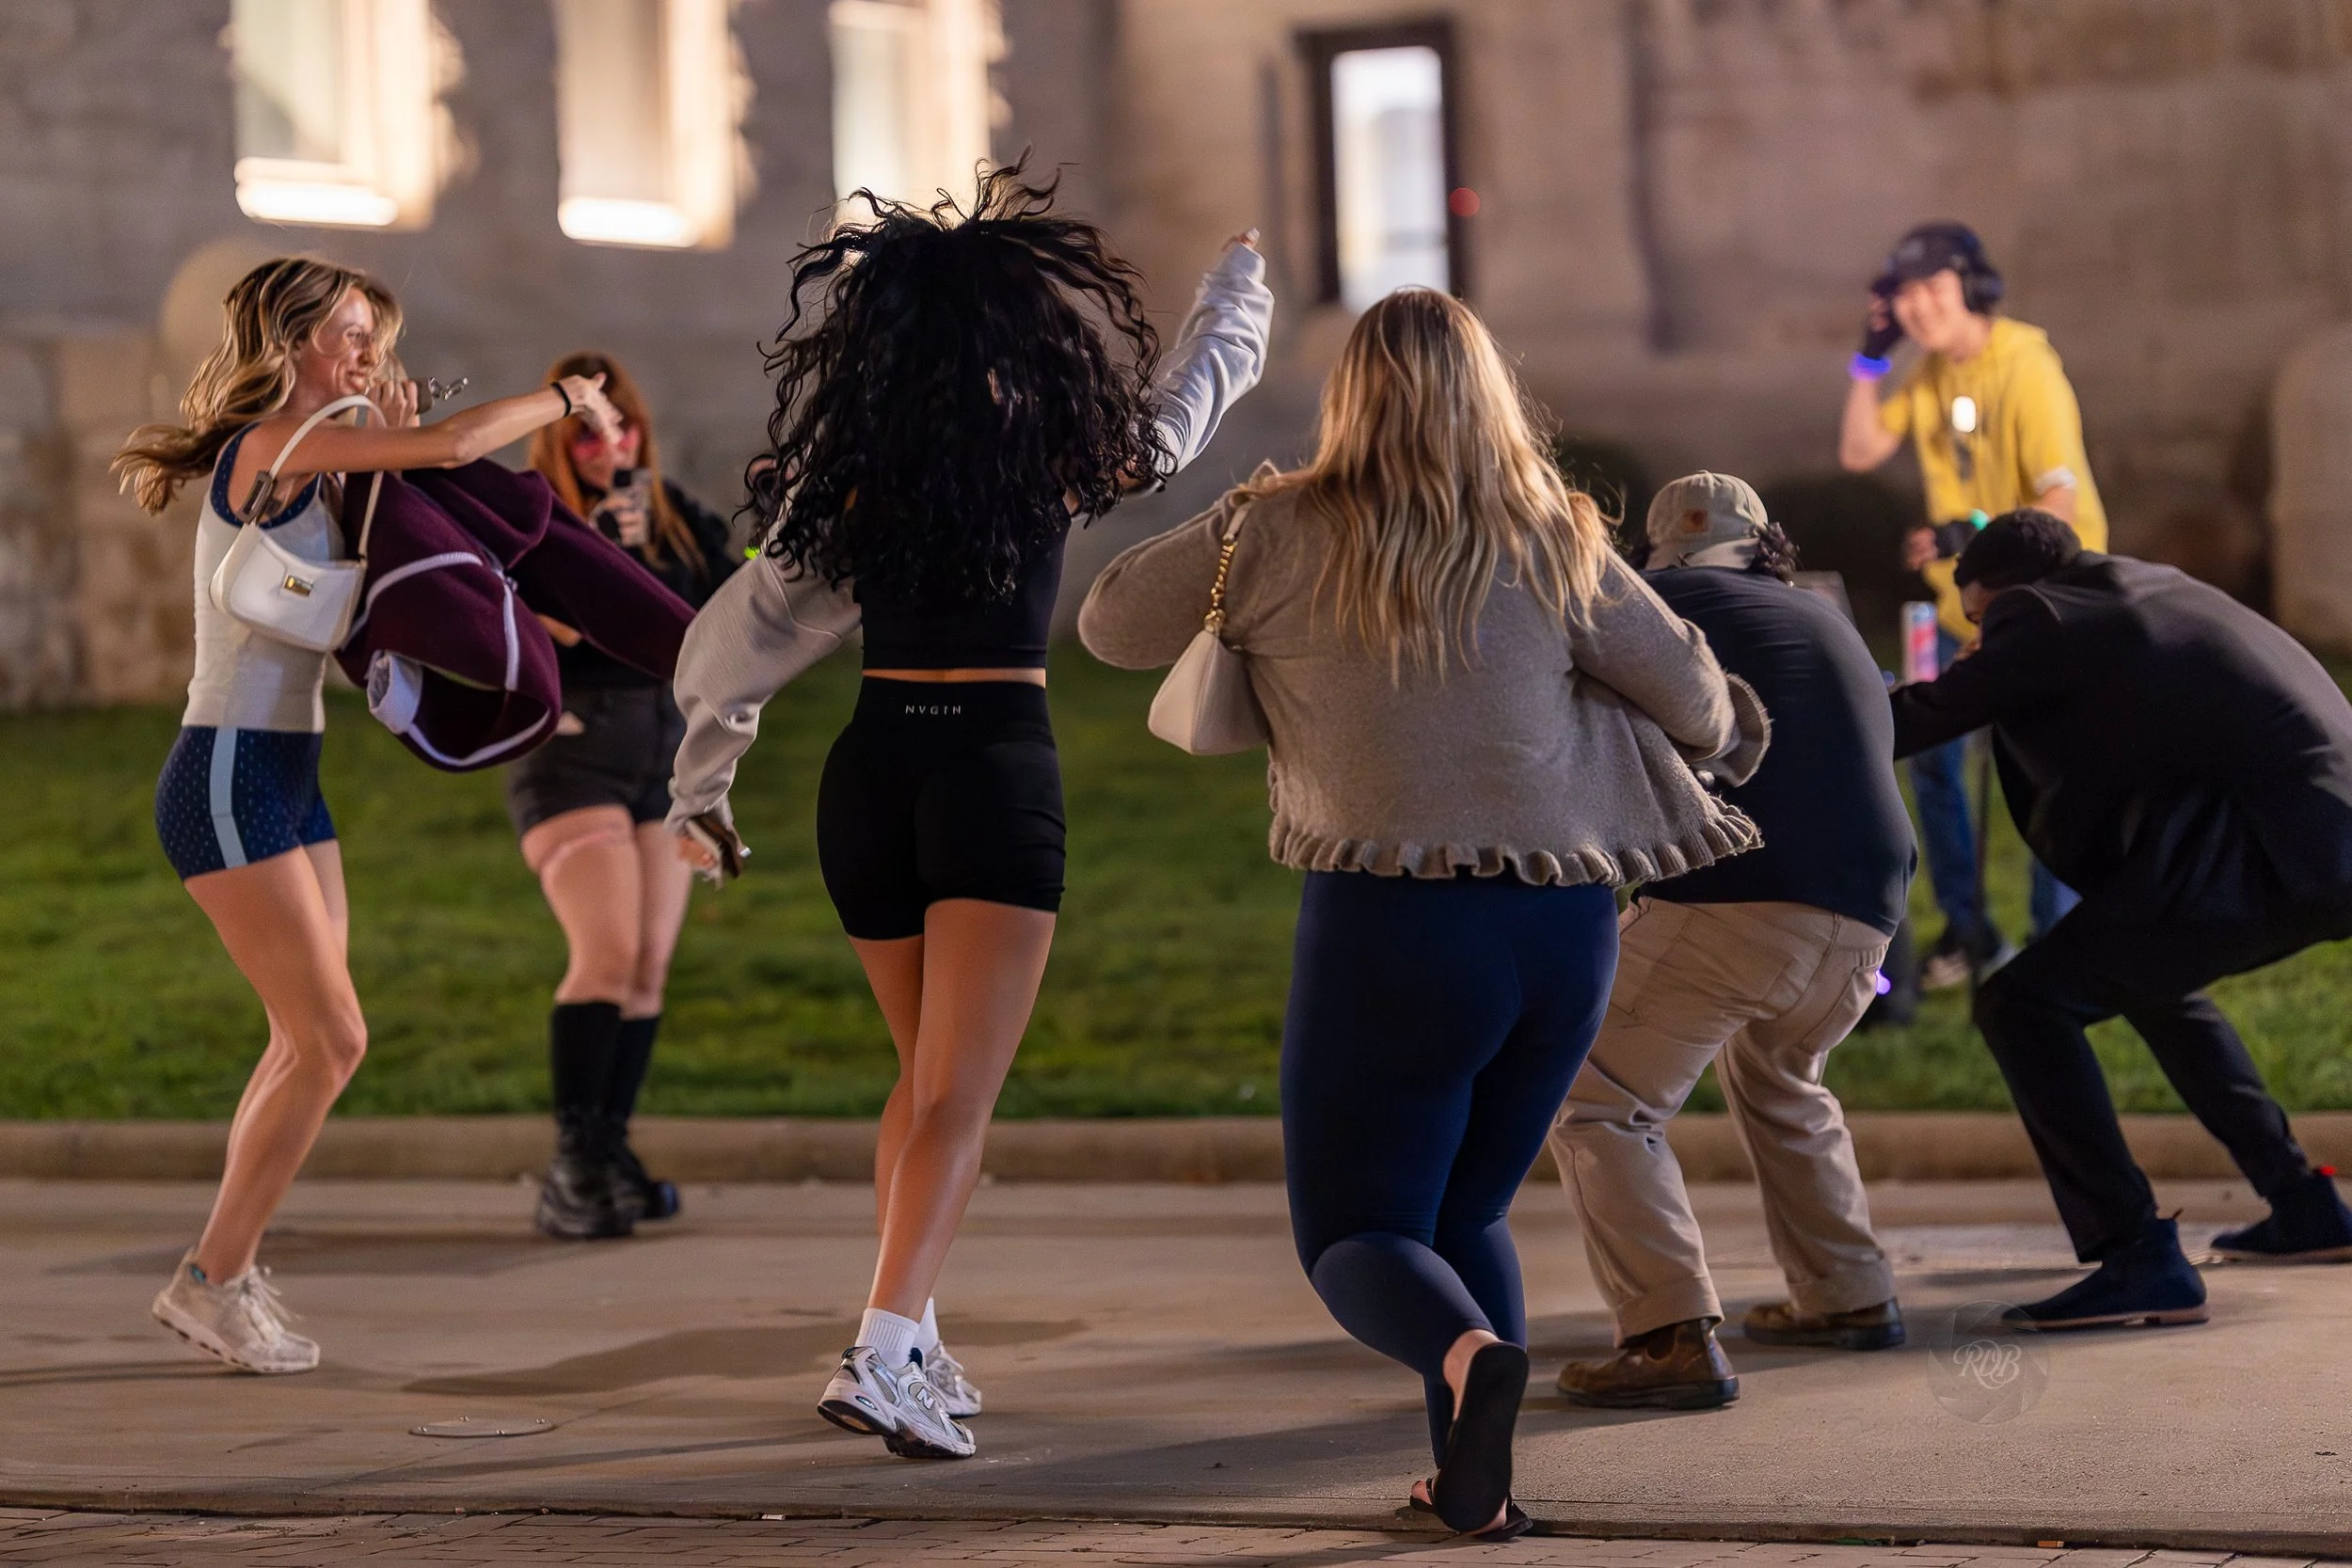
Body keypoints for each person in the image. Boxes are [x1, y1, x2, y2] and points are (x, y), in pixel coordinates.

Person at [1081, 291, 1767, 1539]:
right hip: (1562, 934)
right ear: (1489, 396)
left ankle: (1463, 1354)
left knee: (1360, 1226)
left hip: (1389, 925)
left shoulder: (1280, 528)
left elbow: (1111, 623)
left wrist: (1237, 516)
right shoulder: (1555, 534)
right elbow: (1700, 703)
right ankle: (1477, 1488)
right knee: (1469, 1212)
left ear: (1351, 398)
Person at [668, 164, 1271, 1460]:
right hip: (993, 770)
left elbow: (730, 650)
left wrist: (700, 794)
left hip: (872, 771)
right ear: (1021, 330)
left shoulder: (849, 484)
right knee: (956, 1092)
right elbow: (1195, 400)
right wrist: (1240, 285)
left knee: (926, 1084)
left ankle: (916, 1331)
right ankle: (882, 1348)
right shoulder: (1057, 455)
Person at [114, 256, 622, 1372]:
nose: (367, 354)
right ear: (289, 341)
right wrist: (566, 396)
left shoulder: (327, 456)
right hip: (226, 771)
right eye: (347, 333)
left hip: (290, 772)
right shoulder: (271, 448)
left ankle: (225, 1271)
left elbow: (410, 514)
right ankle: (211, 1279)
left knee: (305, 1041)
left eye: (374, 336)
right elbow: (448, 446)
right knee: (331, 1035)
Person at [1892, 511, 2352, 1328]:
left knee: (2019, 1003)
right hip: (2310, 838)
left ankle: (2136, 1252)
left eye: (1979, 616)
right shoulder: (2138, 589)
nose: (1983, 636)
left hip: (2268, 846)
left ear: (2008, 595)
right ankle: (2305, 1206)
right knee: (2157, 985)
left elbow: (1919, 717)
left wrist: (1795, 726)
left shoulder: (2041, 614)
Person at [1548, 472, 1915, 1411]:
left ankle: (1667, 1335)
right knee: (1782, 1074)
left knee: (1596, 1098)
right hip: (1869, 912)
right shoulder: (1827, 617)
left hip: (1744, 896)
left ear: (1660, 550)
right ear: (1765, 544)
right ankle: (1849, 1292)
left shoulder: (1652, 602)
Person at [511, 352, 739, 1241]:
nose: (612, 440)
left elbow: (735, 596)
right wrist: (599, 549)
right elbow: (514, 624)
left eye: (624, 422)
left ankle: (607, 1149)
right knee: (604, 954)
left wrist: (671, 544)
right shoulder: (537, 520)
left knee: (647, 966)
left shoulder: (674, 515)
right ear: (559, 441)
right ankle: (572, 1166)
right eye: (588, 427)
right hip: (575, 756)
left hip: (665, 758)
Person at [1838, 222, 2104, 985]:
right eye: (1904, 294)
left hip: (2047, 607)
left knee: (2049, 773)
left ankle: (2060, 946)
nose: (1918, 307)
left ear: (1970, 284)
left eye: (1932, 287)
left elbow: (2060, 498)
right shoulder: (1924, 374)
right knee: (1933, 764)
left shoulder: (2026, 365)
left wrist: (1971, 528)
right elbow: (1859, 451)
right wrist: (1869, 356)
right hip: (1960, 614)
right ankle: (1968, 934)